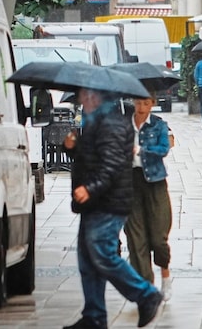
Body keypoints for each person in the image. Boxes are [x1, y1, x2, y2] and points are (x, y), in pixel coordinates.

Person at [62, 89, 163, 329]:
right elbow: (91, 158)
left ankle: (145, 294)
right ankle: (94, 315)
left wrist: (90, 188)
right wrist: (72, 147)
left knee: (103, 254)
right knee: (87, 260)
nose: (81, 101)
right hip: (93, 203)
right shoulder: (96, 123)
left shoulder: (112, 126)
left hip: (108, 202)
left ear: (98, 99)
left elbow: (112, 165)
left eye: (86, 96)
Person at [124, 95, 174, 302]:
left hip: (154, 182)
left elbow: (164, 149)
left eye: (146, 103)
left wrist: (141, 150)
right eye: (138, 103)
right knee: (136, 238)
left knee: (158, 237)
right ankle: (146, 288)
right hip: (130, 182)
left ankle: (165, 274)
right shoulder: (124, 125)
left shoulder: (159, 125)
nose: (142, 107)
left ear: (153, 103)